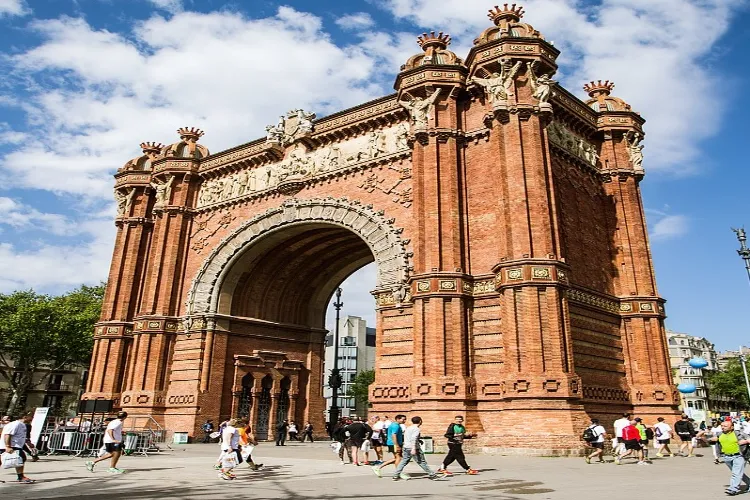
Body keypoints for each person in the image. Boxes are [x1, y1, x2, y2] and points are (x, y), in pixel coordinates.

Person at [702, 419, 750, 496]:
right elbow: (708, 440)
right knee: (738, 473)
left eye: (725, 426)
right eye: (722, 426)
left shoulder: (739, 434)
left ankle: (733, 489)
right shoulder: (719, 434)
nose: (723, 427)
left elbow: (748, 438)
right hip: (727, 457)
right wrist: (708, 439)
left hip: (739, 456)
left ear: (732, 427)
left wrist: (746, 441)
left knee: (736, 473)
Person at [392, 416, 445, 481]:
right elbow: (413, 438)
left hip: (406, 447)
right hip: (413, 448)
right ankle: (432, 475)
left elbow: (408, 437)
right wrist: (413, 448)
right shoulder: (416, 429)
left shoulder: (409, 428)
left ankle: (395, 475)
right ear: (420, 421)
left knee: (403, 461)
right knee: (421, 462)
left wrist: (418, 440)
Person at [0, 411, 36, 483]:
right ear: (24, 417)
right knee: (21, 458)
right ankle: (21, 477)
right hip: (11, 445)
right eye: (31, 417)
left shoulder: (23, 425)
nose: (32, 418)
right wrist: (8, 446)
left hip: (16, 445)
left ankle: (20, 476)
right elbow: (7, 434)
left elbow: (20, 437)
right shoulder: (15, 424)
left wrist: (29, 443)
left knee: (20, 459)